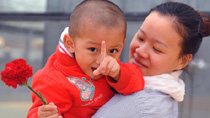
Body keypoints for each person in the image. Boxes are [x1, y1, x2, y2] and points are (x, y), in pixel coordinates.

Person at [27, 0, 145, 118]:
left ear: (122, 45)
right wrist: (42, 115)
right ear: (70, 44)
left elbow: (138, 82)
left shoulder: (110, 65)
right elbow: (39, 111)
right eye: (93, 49)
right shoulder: (53, 78)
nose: (101, 60)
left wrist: (118, 74)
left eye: (113, 51)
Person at [92, 1, 210, 118]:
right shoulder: (123, 79)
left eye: (157, 49)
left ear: (183, 61)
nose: (140, 51)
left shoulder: (143, 105)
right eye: (140, 38)